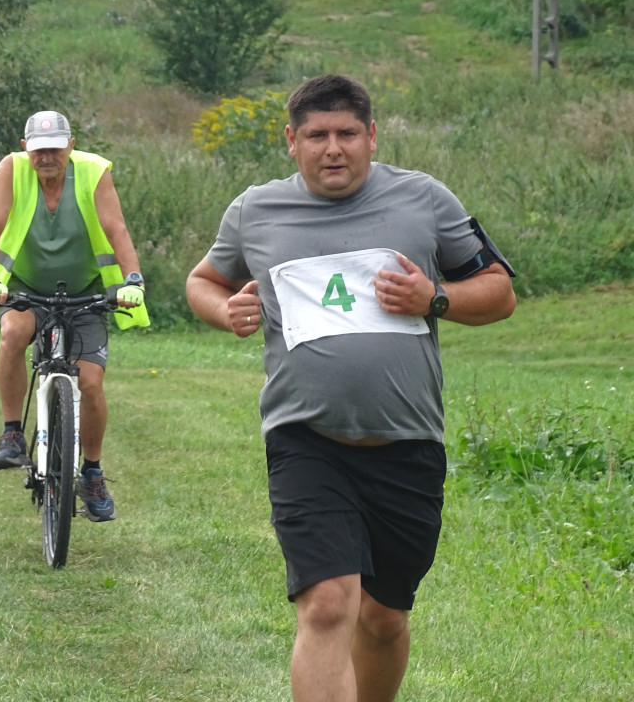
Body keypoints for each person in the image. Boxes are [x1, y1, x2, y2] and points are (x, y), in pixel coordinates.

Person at [186, 75, 516, 702]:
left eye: (345, 134)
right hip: (306, 439)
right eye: (316, 135)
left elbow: (500, 294)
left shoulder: (424, 201)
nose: (331, 148)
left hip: (408, 443)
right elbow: (203, 280)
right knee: (328, 606)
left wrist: (436, 297)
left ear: (371, 136)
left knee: (384, 619)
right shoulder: (256, 211)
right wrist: (222, 309)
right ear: (291, 141)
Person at [0, 110, 149, 522]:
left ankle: (91, 471)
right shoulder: (11, 170)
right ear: (25, 149)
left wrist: (133, 280)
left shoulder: (92, 172)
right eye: (38, 150)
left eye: (55, 149)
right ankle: (12, 432)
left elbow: (116, 228)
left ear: (71, 146)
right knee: (13, 332)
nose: (46, 157)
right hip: (26, 288)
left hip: (85, 291)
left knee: (89, 382)